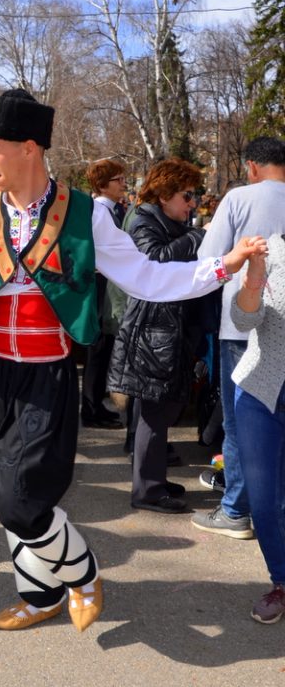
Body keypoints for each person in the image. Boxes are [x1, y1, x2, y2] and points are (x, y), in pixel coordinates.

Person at [0, 88, 265, 632]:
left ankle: (80, 570)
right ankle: (38, 594)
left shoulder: (84, 214)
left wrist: (222, 265)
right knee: (6, 496)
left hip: (45, 372)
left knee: (28, 499)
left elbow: (145, 277)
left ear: (28, 148)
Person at [192, 136, 285, 540]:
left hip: (242, 324)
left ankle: (236, 511)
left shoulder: (238, 198)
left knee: (240, 422)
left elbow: (210, 262)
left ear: (251, 166)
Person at [108, 158, 210, 513]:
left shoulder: (165, 219)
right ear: (165, 194)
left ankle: (153, 480)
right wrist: (197, 237)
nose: (192, 203)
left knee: (162, 407)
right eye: (187, 195)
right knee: (153, 409)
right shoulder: (143, 219)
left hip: (164, 329)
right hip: (151, 330)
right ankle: (147, 490)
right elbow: (154, 260)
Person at [231, 236, 285, 623]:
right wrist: (254, 277)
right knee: (265, 501)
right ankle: (281, 581)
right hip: (259, 390)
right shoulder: (269, 250)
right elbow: (244, 320)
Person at [80, 159, 128, 429]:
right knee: (97, 348)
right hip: (99, 284)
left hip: (108, 283)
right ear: (102, 185)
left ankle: (96, 403)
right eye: (118, 180)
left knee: (104, 346)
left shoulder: (112, 210)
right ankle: (90, 408)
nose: (123, 184)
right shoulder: (98, 211)